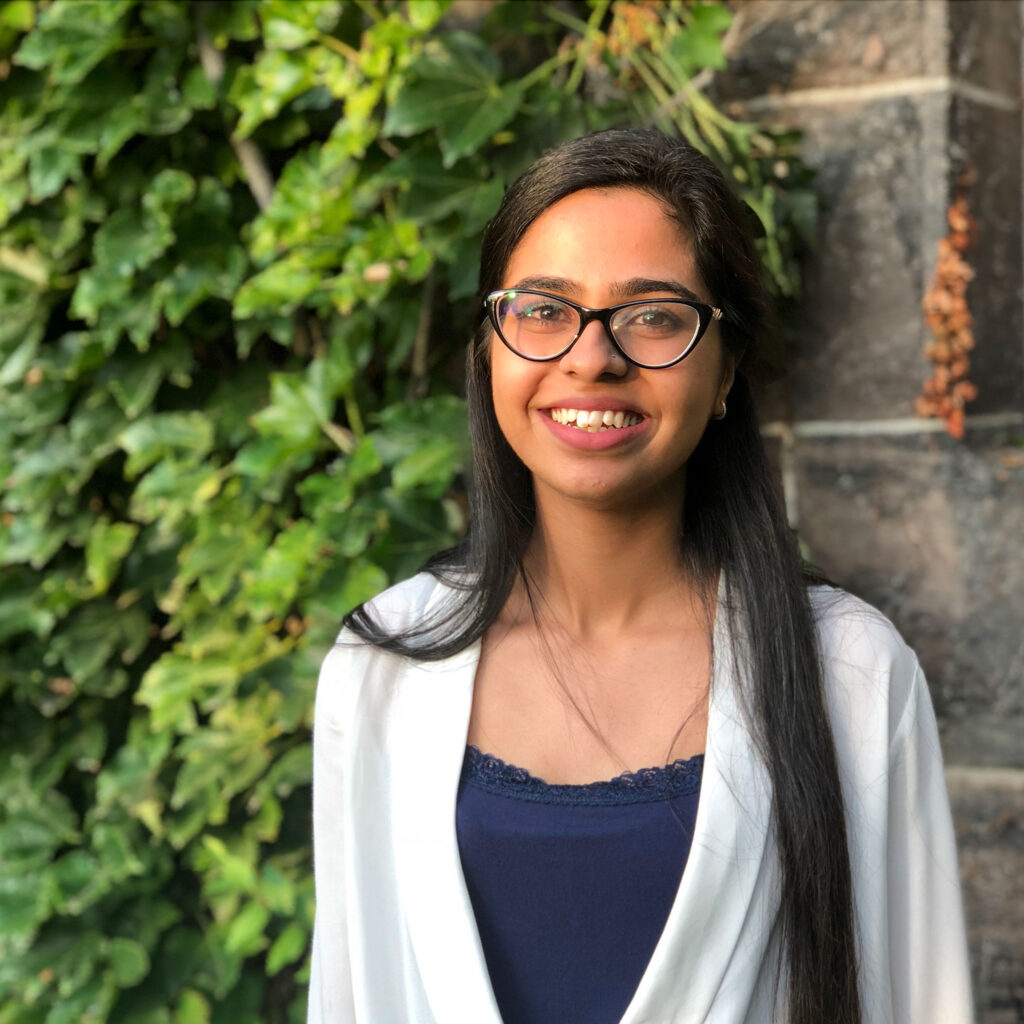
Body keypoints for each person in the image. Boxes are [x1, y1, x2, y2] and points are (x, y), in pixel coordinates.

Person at [307, 128, 974, 1024]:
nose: (592, 356)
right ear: (490, 349)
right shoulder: (385, 664)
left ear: (727, 367)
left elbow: (919, 1000)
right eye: (542, 309)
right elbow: (350, 996)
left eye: (654, 315)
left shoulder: (849, 673)